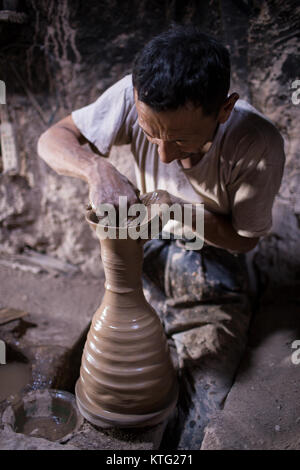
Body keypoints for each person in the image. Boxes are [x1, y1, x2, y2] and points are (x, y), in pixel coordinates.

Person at [37, 25, 285, 449]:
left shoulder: (256, 143)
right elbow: (51, 139)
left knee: (204, 395)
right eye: (152, 133)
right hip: (146, 246)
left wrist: (177, 208)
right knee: (111, 345)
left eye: (182, 140)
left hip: (213, 256)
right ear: (135, 97)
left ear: (224, 110)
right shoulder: (130, 94)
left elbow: (244, 240)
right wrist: (98, 169)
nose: (164, 154)